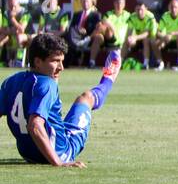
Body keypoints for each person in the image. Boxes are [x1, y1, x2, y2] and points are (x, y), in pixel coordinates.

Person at [0, 33, 120, 167]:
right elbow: (34, 125)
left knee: (50, 90)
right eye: (56, 61)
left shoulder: (10, 82)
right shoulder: (47, 85)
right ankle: (108, 80)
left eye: (62, 61)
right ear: (38, 61)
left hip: (28, 154)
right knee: (85, 98)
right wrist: (59, 163)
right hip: (59, 152)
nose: (61, 67)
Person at [64, 0, 102, 67]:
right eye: (83, 1)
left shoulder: (96, 15)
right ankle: (66, 63)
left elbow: (98, 28)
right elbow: (71, 27)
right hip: (76, 38)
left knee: (99, 36)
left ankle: (90, 62)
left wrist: (87, 34)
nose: (85, 3)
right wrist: (78, 30)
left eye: (87, 1)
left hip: (89, 38)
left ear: (91, 3)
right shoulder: (76, 14)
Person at [154, 0, 178, 71]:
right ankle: (160, 64)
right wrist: (164, 37)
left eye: (175, 7)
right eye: (172, 7)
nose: (173, 9)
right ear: (169, 8)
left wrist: (171, 34)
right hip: (168, 40)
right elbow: (158, 32)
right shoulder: (165, 16)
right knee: (154, 43)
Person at [122, 3, 159, 69]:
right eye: (138, 10)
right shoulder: (132, 17)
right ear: (135, 10)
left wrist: (135, 37)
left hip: (152, 37)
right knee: (127, 41)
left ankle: (145, 64)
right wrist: (129, 39)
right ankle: (119, 63)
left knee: (146, 40)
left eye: (141, 9)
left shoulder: (150, 17)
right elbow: (129, 32)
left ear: (146, 9)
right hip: (138, 38)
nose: (139, 12)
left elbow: (147, 34)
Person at [0, 0, 33, 66]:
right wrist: (14, 30)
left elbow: (21, 29)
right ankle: (3, 61)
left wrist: (12, 19)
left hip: (27, 35)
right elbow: (3, 29)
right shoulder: (6, 13)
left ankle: (19, 60)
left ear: (17, 2)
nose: (11, 6)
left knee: (19, 37)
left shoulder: (25, 13)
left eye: (12, 3)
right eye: (9, 3)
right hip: (11, 35)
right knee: (2, 37)